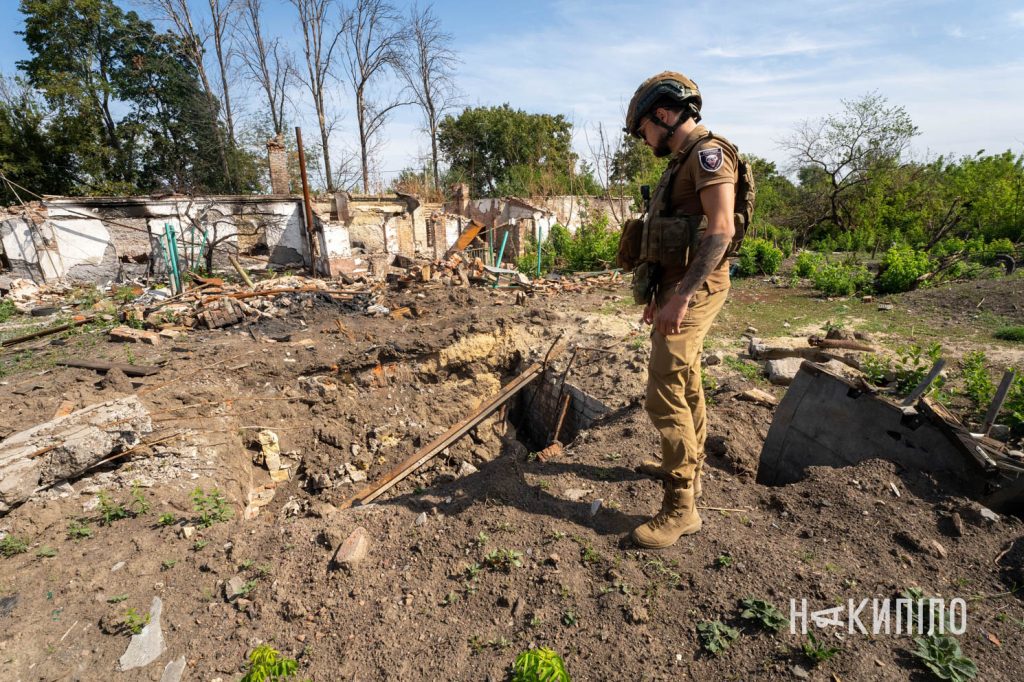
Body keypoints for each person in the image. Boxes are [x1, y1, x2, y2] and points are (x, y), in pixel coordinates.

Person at [622, 71, 738, 548]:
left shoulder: (711, 154)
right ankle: (689, 465)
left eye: (644, 130)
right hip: (675, 288)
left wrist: (683, 297)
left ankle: (681, 506)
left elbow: (721, 229)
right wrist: (659, 296)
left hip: (697, 288)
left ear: (663, 116)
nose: (644, 139)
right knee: (683, 375)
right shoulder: (680, 160)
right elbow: (669, 234)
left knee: (661, 388)